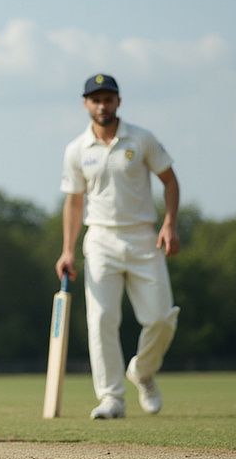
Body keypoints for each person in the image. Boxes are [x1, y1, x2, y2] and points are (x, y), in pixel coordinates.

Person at [55, 74, 180, 419]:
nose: (102, 105)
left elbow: (170, 181)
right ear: (86, 104)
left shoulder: (141, 139)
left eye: (107, 99)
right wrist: (68, 249)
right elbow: (74, 203)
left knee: (161, 318)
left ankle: (142, 371)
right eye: (95, 99)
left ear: (118, 102)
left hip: (143, 236)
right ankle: (111, 398)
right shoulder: (76, 149)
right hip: (100, 241)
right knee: (101, 320)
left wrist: (170, 223)